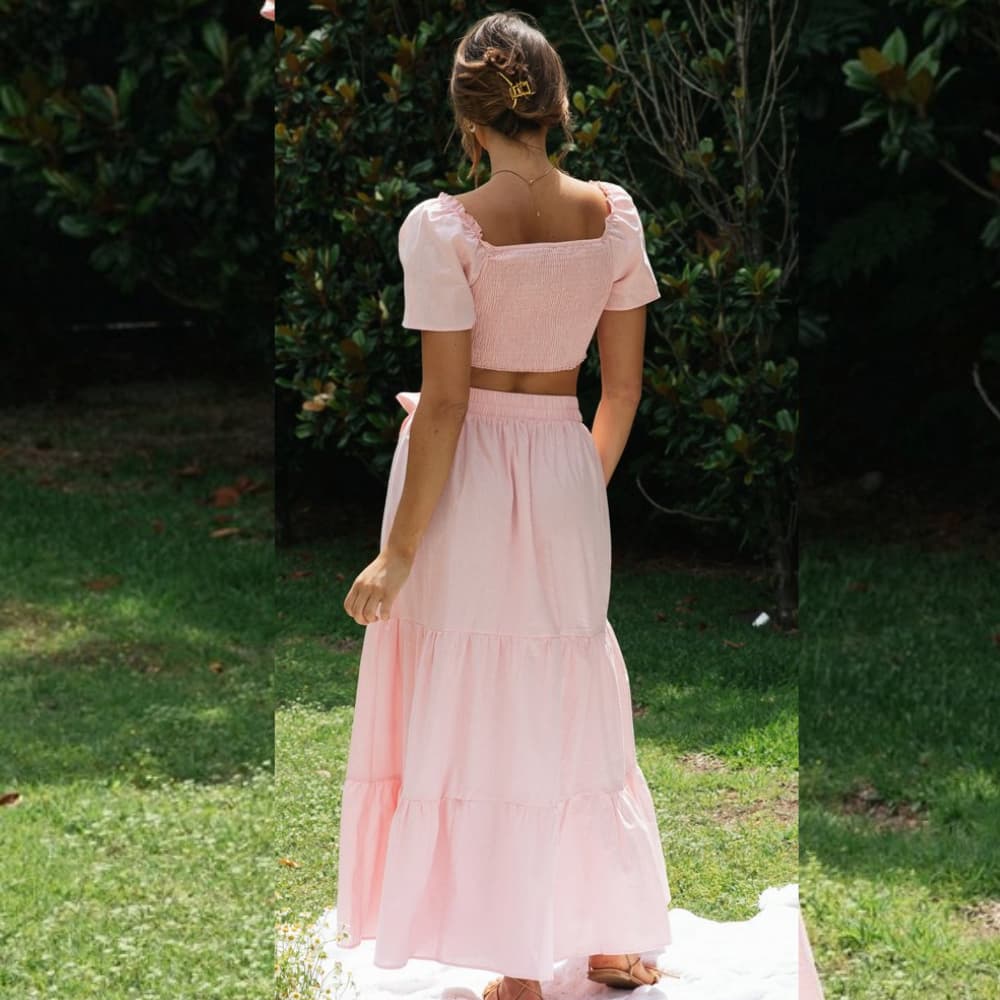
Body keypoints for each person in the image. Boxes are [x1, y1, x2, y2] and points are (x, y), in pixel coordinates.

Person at [339, 11, 671, 999]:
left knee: (475, 698)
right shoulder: (614, 216)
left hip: (466, 477)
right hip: (565, 460)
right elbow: (621, 389)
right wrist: (571, 489)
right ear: (558, 107)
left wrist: (398, 553)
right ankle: (607, 935)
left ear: (467, 119)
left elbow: (445, 406)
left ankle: (518, 968)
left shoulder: (442, 227)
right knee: (566, 684)